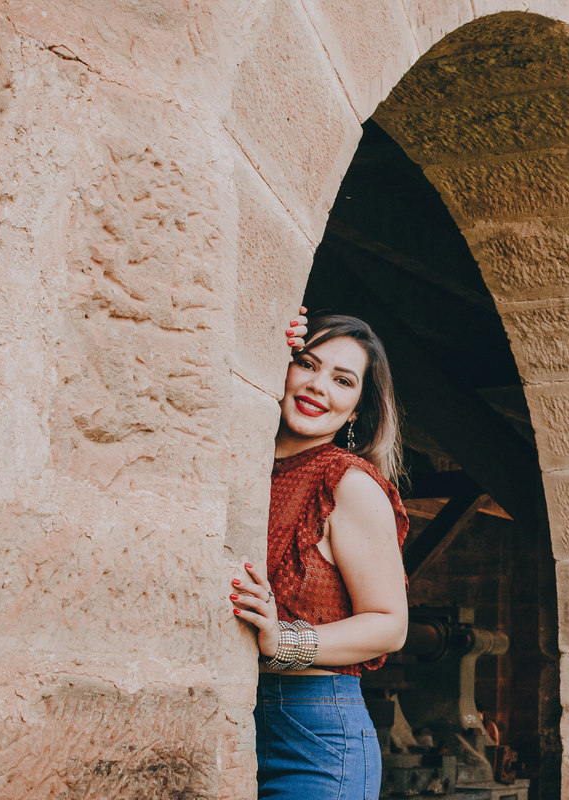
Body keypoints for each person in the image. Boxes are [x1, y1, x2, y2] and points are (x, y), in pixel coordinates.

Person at [230, 309, 410, 800]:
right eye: (307, 364)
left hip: (315, 738)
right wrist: (263, 333)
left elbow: (390, 625)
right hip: (229, 718)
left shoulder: (347, 482)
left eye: (343, 380)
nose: (317, 386)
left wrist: (281, 639)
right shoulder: (237, 462)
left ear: (355, 410)